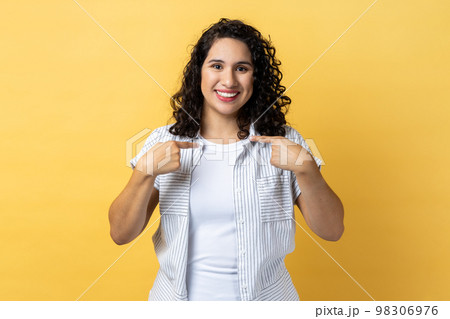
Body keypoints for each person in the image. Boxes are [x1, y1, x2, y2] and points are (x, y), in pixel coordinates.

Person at [108, 18, 344, 301]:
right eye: (217, 66)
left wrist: (308, 170)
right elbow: (120, 233)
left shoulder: (286, 141)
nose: (229, 81)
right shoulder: (163, 142)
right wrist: (144, 172)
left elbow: (332, 230)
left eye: (241, 68)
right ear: (200, 73)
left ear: (255, 77)